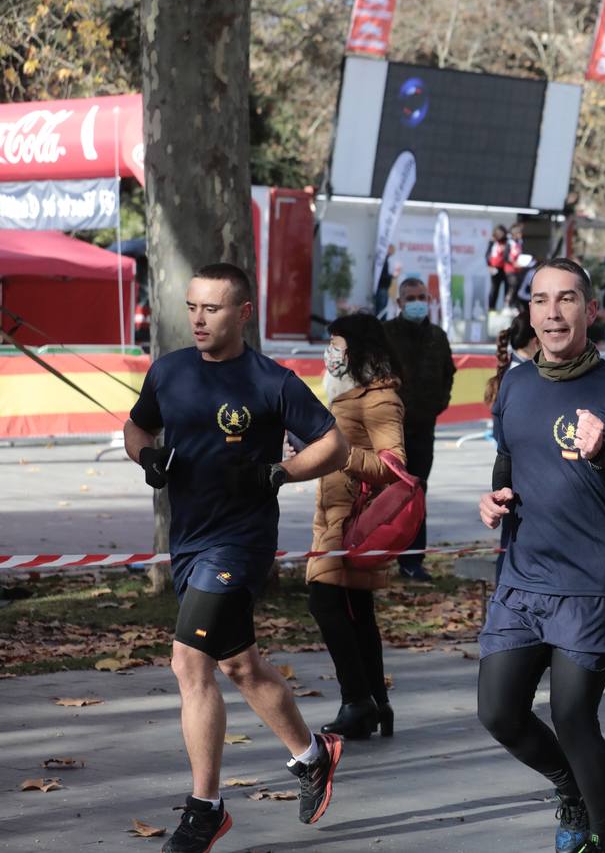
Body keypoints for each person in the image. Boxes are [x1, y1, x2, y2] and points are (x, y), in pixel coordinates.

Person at [124, 263, 349, 853]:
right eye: (192, 307)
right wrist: (148, 459)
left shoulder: (272, 382)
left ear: (243, 313)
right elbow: (136, 428)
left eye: (212, 308)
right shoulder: (169, 371)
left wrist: (279, 472)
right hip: (189, 542)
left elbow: (335, 445)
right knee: (239, 666)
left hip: (240, 543)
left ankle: (206, 810)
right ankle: (312, 755)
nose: (198, 319)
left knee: (188, 662)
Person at [476, 258, 605, 853]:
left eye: (567, 299)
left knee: (574, 717)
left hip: (591, 583)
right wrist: (496, 497)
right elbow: (507, 460)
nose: (553, 312)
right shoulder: (515, 385)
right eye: (541, 300)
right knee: (499, 712)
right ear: (530, 312)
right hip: (522, 578)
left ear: (590, 309)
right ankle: (570, 789)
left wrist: (603, 454)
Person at [307, 314, 406, 740]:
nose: (330, 352)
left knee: (324, 602)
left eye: (337, 344)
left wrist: (339, 453)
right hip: (336, 516)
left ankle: (357, 700)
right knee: (357, 611)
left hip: (353, 522)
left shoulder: (379, 398)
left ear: (358, 349)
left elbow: (393, 465)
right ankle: (375, 704)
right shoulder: (346, 393)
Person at [382, 276, 456, 581]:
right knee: (385, 494)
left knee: (416, 493)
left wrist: (437, 404)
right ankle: (375, 555)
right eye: (411, 298)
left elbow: (448, 374)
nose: (417, 303)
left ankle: (412, 561)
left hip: (424, 429)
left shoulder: (437, 337)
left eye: (421, 298)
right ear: (399, 303)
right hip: (390, 431)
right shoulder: (385, 334)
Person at [485, 224, 510, 311]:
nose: (500, 235)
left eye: (501, 233)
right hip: (495, 269)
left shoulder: (508, 242)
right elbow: (487, 255)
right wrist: (489, 266)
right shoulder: (492, 242)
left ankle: (506, 308)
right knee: (494, 289)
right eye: (498, 233)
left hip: (506, 269)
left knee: (507, 288)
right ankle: (491, 308)